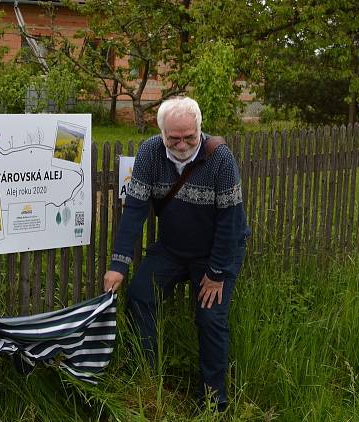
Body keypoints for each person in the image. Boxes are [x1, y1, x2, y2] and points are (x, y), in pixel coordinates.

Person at [103, 96, 250, 411]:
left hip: (215, 252)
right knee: (141, 294)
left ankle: (213, 402)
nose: (182, 144)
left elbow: (231, 222)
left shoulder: (220, 159)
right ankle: (146, 379)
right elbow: (135, 211)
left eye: (189, 137)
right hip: (173, 247)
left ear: (199, 129)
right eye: (174, 138)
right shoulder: (149, 153)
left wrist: (217, 273)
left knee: (210, 318)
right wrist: (118, 264)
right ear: (161, 133)